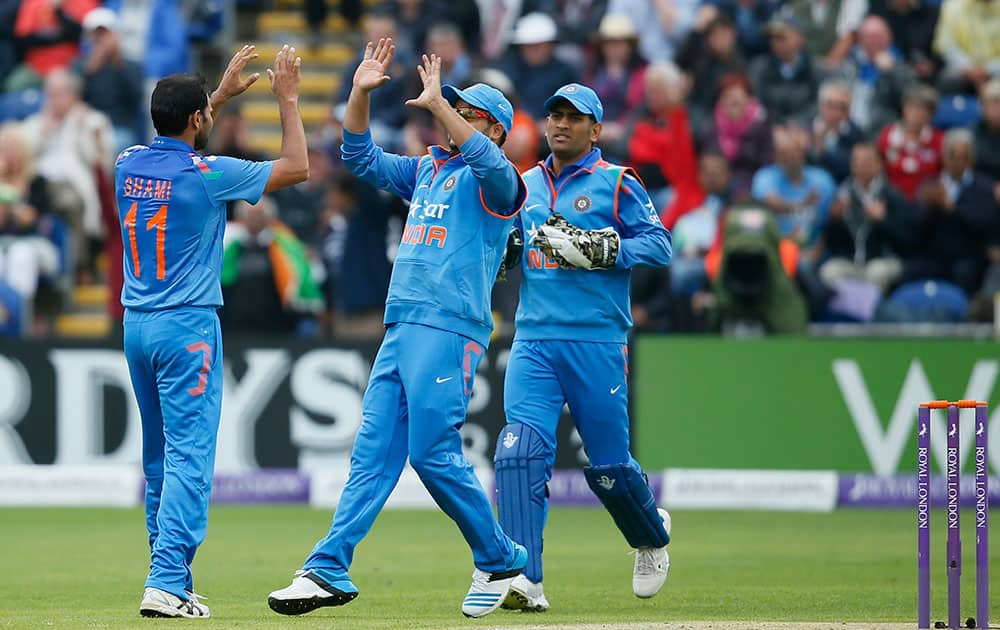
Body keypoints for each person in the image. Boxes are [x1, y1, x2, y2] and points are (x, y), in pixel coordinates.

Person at [266, 39, 527, 619]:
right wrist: (359, 92)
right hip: (402, 322)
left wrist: (438, 106)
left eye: (463, 109)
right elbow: (358, 157)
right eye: (446, 104)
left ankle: (500, 555)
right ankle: (327, 567)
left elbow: (487, 162)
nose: (445, 111)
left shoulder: (498, 180)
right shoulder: (428, 171)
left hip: (449, 326)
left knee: (432, 453)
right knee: (372, 456)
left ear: (493, 129)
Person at [116, 44, 309, 618]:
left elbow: (180, 137)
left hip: (137, 327)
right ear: (198, 121)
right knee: (190, 461)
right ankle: (169, 580)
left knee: (158, 461)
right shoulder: (209, 175)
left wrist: (215, 98)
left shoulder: (127, 162)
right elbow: (296, 167)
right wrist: (289, 101)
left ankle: (166, 575)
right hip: (187, 329)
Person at [494, 83, 673, 612]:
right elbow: (502, 246)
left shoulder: (617, 183)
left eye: (574, 117)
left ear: (596, 129)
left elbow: (660, 245)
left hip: (596, 340)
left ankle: (650, 538)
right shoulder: (523, 184)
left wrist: (604, 248)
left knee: (611, 468)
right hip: (534, 340)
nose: (561, 124)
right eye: (555, 115)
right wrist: (503, 252)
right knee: (519, 454)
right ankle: (526, 579)